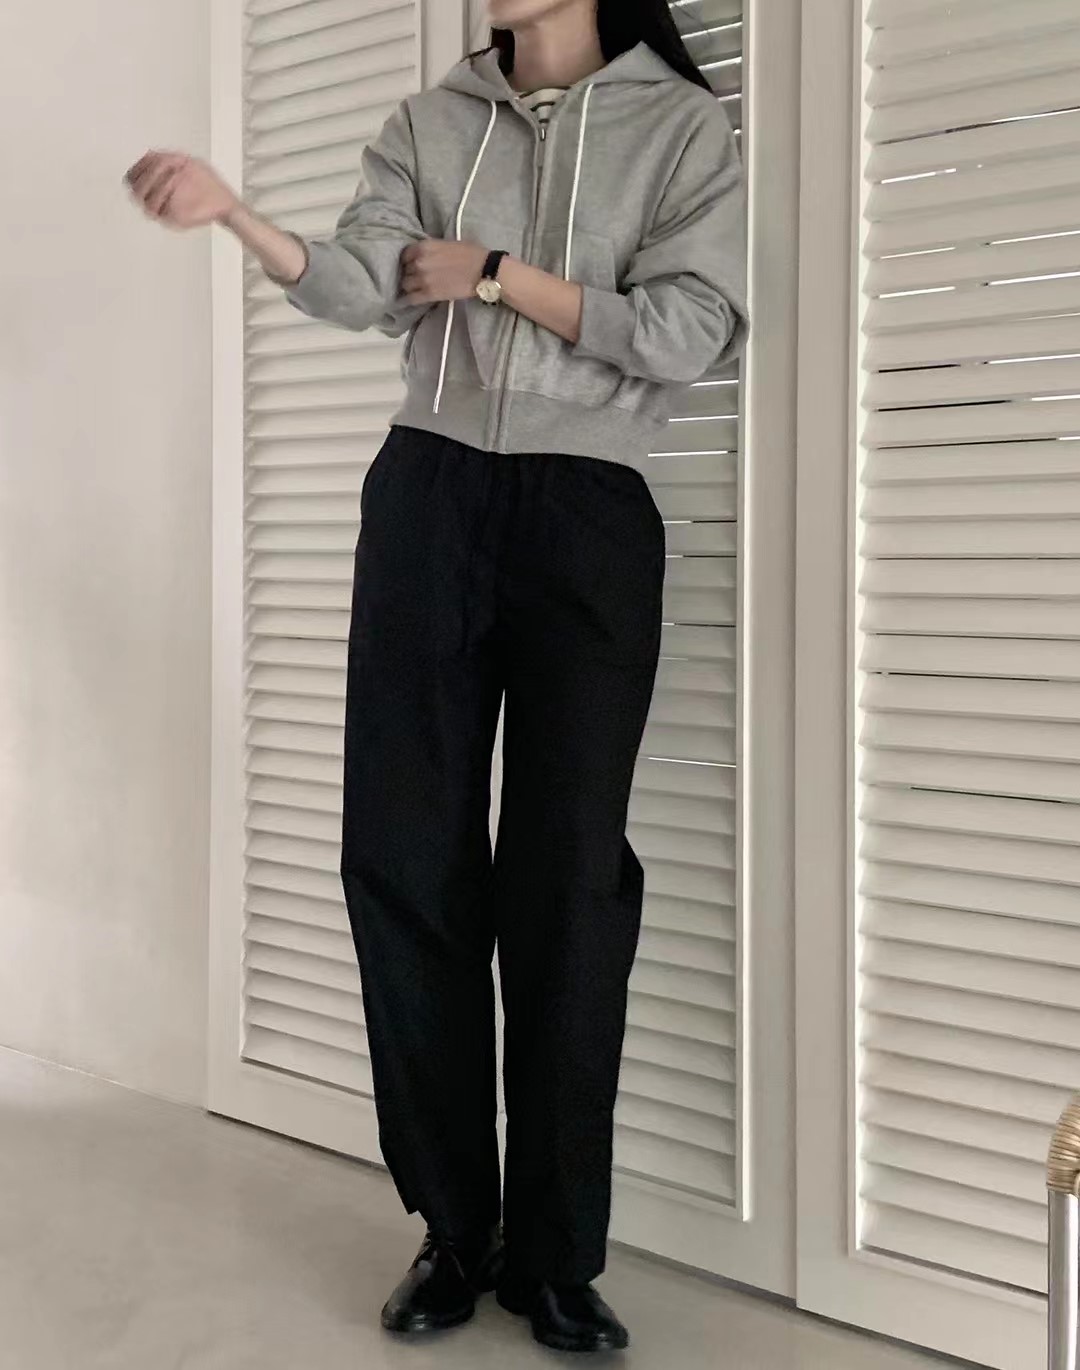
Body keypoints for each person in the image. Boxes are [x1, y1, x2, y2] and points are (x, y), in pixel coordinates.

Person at [126, 0, 747, 1353]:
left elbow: (690, 329)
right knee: (404, 858)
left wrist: (497, 276)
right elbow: (363, 281)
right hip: (428, 498)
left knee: (568, 878)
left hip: (589, 511)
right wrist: (238, 216)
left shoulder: (682, 127)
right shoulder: (431, 120)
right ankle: (455, 1231)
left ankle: (558, 1255)